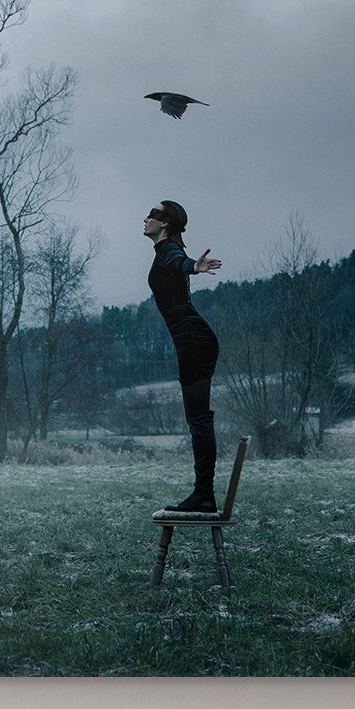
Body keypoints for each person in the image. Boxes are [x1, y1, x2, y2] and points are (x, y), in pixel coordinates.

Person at [142, 200, 223, 514]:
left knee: (199, 420)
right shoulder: (163, 253)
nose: (146, 218)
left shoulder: (169, 253)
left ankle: (204, 496)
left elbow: (179, 260)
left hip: (194, 342)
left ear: (165, 223)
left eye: (153, 215)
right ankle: (203, 494)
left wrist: (195, 266)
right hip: (191, 341)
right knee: (197, 420)